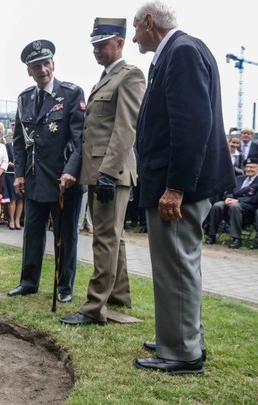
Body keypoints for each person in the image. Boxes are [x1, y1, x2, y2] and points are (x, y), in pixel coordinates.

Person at [131, 1, 234, 375]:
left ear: (149, 21)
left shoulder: (183, 51)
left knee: (176, 264)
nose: (133, 37)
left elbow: (191, 126)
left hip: (179, 187)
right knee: (175, 264)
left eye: (135, 28)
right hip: (174, 182)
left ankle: (181, 352)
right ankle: (177, 336)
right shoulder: (177, 52)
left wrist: (175, 187)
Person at [60, 17, 145, 326]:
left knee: (105, 239)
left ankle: (94, 308)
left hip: (112, 172)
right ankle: (119, 297)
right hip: (100, 171)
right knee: (114, 237)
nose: (96, 50)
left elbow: (125, 130)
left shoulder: (130, 76)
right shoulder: (106, 77)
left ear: (119, 43)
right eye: (94, 45)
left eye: (102, 44)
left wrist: (108, 172)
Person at [7, 39, 85, 301]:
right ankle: (28, 282)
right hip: (33, 179)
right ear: (29, 70)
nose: (43, 69)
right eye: (36, 66)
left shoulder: (71, 93)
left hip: (64, 179)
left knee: (65, 235)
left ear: (53, 64)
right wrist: (19, 174)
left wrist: (72, 171)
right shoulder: (24, 98)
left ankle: (64, 287)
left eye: (46, 63)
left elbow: (79, 139)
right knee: (32, 232)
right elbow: (19, 141)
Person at [204, 158, 258, 248]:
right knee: (217, 205)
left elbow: (255, 199)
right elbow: (229, 192)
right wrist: (227, 198)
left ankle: (236, 239)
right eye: (247, 167)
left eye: (252, 167)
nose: (249, 169)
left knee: (235, 206)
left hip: (249, 207)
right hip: (232, 202)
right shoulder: (239, 179)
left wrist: (238, 200)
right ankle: (211, 235)